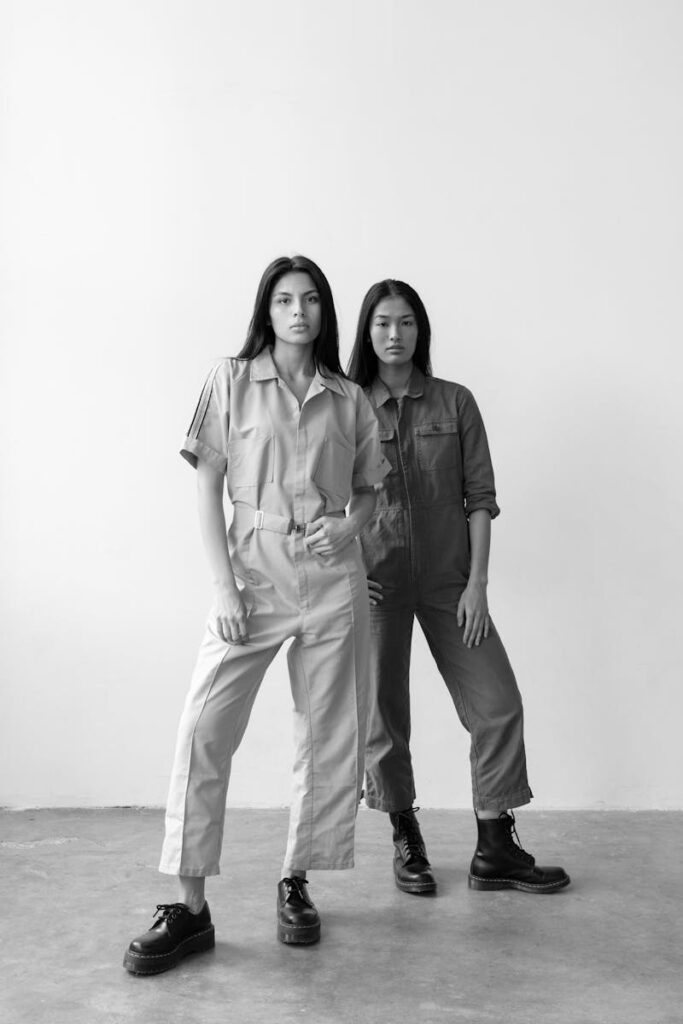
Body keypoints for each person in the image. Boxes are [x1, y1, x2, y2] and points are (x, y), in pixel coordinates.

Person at [123, 256, 389, 975]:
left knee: (327, 735)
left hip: (334, 580)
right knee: (204, 730)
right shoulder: (230, 381)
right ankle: (189, 908)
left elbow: (367, 491)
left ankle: (295, 881)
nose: (297, 311)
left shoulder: (349, 398)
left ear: (324, 313)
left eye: (308, 300)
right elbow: (207, 488)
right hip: (255, 577)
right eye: (283, 300)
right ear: (265, 312)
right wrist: (223, 590)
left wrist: (350, 528)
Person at [347, 279, 569, 897]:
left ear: (421, 331)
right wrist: (346, 574)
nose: (396, 335)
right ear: (367, 333)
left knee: (498, 704)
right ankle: (404, 834)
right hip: (377, 584)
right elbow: (329, 499)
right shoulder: (346, 406)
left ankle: (494, 844)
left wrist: (478, 584)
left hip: (451, 582)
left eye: (407, 323)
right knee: (384, 719)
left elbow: (480, 499)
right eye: (383, 323)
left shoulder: (455, 403)